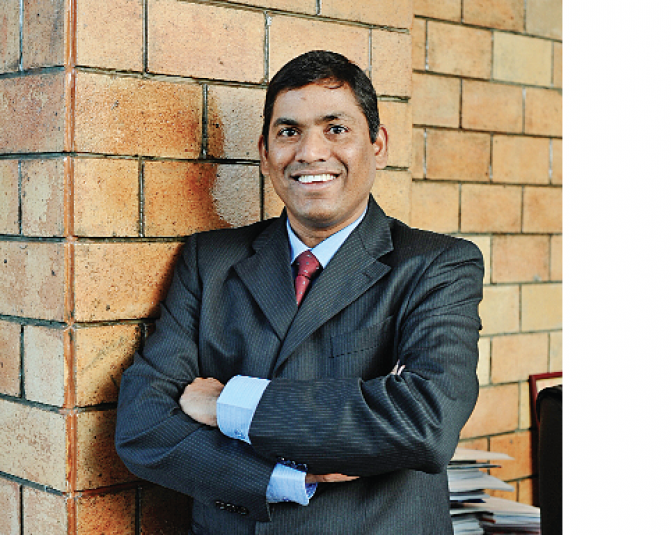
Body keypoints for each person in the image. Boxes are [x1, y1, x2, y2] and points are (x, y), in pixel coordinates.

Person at [116, 50, 484, 535]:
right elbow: (143, 426)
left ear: (377, 145)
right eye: (289, 132)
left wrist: (231, 403)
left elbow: (424, 423)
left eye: (336, 129)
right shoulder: (210, 260)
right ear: (265, 153)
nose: (310, 152)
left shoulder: (437, 265)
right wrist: (279, 479)